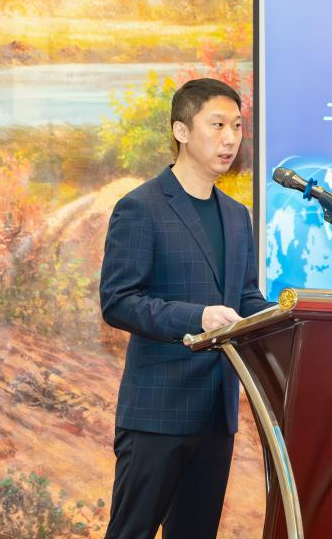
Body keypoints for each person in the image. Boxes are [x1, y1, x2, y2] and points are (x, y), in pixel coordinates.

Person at [99, 78, 272, 539]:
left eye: (237, 126)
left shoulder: (236, 216)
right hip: (158, 412)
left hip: (216, 414)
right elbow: (118, 301)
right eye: (217, 125)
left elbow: (244, 298)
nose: (231, 138)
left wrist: (289, 317)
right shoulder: (141, 207)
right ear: (181, 130)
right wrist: (197, 318)